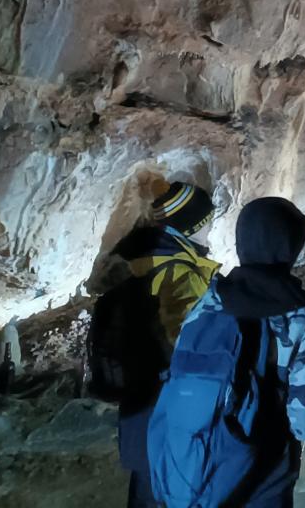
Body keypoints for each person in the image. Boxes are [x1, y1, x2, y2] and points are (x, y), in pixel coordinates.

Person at [149, 196, 305, 507]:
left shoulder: (208, 302)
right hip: (263, 473)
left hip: (200, 463)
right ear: (289, 247)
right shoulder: (300, 316)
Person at [110, 177, 220, 508]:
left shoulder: (144, 265)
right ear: (191, 226)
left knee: (145, 490)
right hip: (171, 409)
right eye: (206, 222)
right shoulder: (179, 274)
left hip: (140, 399)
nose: (209, 229)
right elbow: (193, 343)